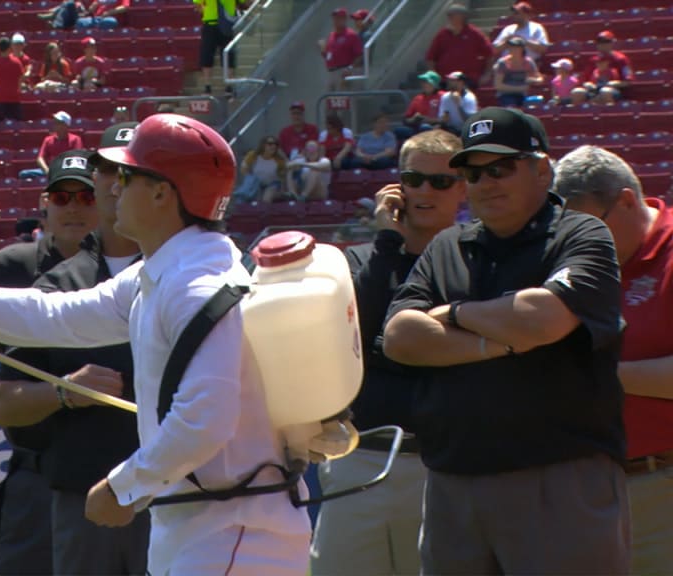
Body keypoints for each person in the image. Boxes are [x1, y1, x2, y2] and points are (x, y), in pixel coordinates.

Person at [0, 113, 313, 575]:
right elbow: (52, 316)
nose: (111, 188)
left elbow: (204, 419)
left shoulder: (197, 283)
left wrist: (122, 485)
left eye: (126, 176)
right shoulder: (167, 269)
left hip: (233, 532)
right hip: (204, 524)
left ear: (161, 193)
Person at [381, 107, 629, 574]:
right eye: (473, 173)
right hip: (453, 482)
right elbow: (400, 337)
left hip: (557, 479)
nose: (486, 182)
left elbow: (543, 319)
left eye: (500, 168)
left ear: (541, 169)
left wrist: (454, 314)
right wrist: (498, 341)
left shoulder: (581, 232)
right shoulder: (446, 245)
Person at [310, 129, 467, 576]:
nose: (423, 191)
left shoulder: (475, 260)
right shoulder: (363, 259)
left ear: (462, 187)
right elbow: (352, 335)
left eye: (440, 182)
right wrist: (386, 242)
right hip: (360, 457)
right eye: (413, 179)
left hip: (446, 464)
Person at [0, 138, 150, 575]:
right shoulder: (57, 283)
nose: (116, 187)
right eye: (106, 174)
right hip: (85, 499)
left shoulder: (185, 272)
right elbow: (3, 401)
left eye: (129, 175)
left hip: (175, 496)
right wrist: (64, 391)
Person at [0, 172, 97, 576]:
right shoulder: (12, 266)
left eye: (86, 195)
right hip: (35, 478)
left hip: (114, 473)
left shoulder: (133, 267)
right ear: (46, 203)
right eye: (63, 197)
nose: (75, 206)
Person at [553, 145, 673, 576]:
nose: (577, 241)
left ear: (626, 200)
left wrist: (600, 375)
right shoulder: (579, 261)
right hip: (583, 490)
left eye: (588, 226)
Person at [425, 4, 493, 89]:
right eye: (449, 15)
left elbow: (489, 54)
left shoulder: (474, 33)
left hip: (467, 78)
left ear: (462, 17)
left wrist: (487, 74)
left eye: (452, 15)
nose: (449, 17)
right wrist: (433, 75)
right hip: (445, 79)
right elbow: (431, 58)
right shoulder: (442, 34)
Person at [194, 0, 247, 97]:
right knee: (206, 55)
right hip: (210, 24)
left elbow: (244, 2)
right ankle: (207, 87)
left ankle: (229, 86)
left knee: (228, 55)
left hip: (227, 24)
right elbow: (197, 4)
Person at [320, 8, 363, 91]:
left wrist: (350, 69)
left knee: (344, 99)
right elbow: (329, 56)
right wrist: (323, 49)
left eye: (338, 18)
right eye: (334, 18)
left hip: (344, 72)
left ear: (344, 19)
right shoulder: (332, 35)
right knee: (330, 100)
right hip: (331, 72)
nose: (335, 21)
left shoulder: (351, 35)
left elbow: (360, 55)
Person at [493, 37, 543, 108]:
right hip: (506, 95)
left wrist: (534, 80)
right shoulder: (503, 63)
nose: (512, 49)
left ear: (522, 49)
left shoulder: (528, 62)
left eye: (516, 47)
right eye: (511, 47)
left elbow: (539, 78)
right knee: (511, 108)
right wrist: (520, 88)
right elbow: (498, 85)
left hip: (523, 95)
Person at [236, 135, 287, 203]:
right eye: (270, 144)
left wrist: (284, 157)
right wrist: (251, 179)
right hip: (256, 183)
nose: (273, 146)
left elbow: (286, 171)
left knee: (266, 199)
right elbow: (243, 168)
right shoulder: (253, 155)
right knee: (247, 194)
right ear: (263, 145)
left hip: (273, 184)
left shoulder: (279, 159)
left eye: (276, 144)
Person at [0, 36, 24, 122]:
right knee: (17, 127)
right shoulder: (17, 62)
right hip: (14, 99)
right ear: (9, 47)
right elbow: (20, 81)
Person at [398, 71, 444, 140]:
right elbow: (406, 119)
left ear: (434, 84)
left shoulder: (443, 96)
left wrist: (428, 120)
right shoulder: (418, 98)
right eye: (423, 82)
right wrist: (413, 119)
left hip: (437, 127)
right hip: (417, 127)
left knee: (425, 127)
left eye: (426, 82)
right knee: (399, 131)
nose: (423, 84)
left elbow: (447, 118)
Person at [438, 71, 478, 135]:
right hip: (450, 130)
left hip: (465, 131)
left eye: (452, 80)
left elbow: (470, 121)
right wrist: (444, 118)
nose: (449, 82)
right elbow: (443, 120)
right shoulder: (445, 97)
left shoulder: (469, 97)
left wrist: (459, 105)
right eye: (449, 80)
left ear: (461, 82)